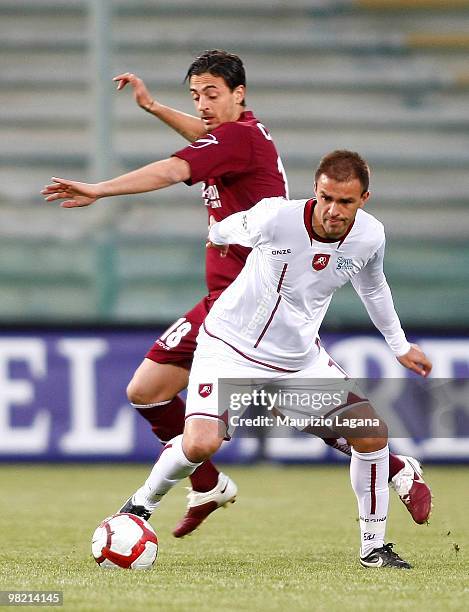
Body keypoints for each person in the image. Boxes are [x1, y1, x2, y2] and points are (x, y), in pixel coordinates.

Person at [41, 51, 431, 534]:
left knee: (294, 408)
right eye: (196, 96)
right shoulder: (240, 137)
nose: (202, 104)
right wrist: (156, 108)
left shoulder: (237, 139)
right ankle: (207, 483)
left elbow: (172, 170)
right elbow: (205, 142)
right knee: (149, 391)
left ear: (239, 94)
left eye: (212, 94)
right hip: (230, 303)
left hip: (247, 304)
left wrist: (99, 189)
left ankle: (389, 468)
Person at [118, 150, 432, 568]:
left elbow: (373, 288)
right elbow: (224, 229)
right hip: (228, 347)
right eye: (326, 198)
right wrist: (222, 238)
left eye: (346, 202)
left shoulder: (371, 236)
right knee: (200, 442)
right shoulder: (276, 218)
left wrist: (399, 345)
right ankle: (138, 508)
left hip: (297, 362)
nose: (333, 211)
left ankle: (374, 549)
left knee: (372, 436)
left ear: (365, 199)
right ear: (315, 190)